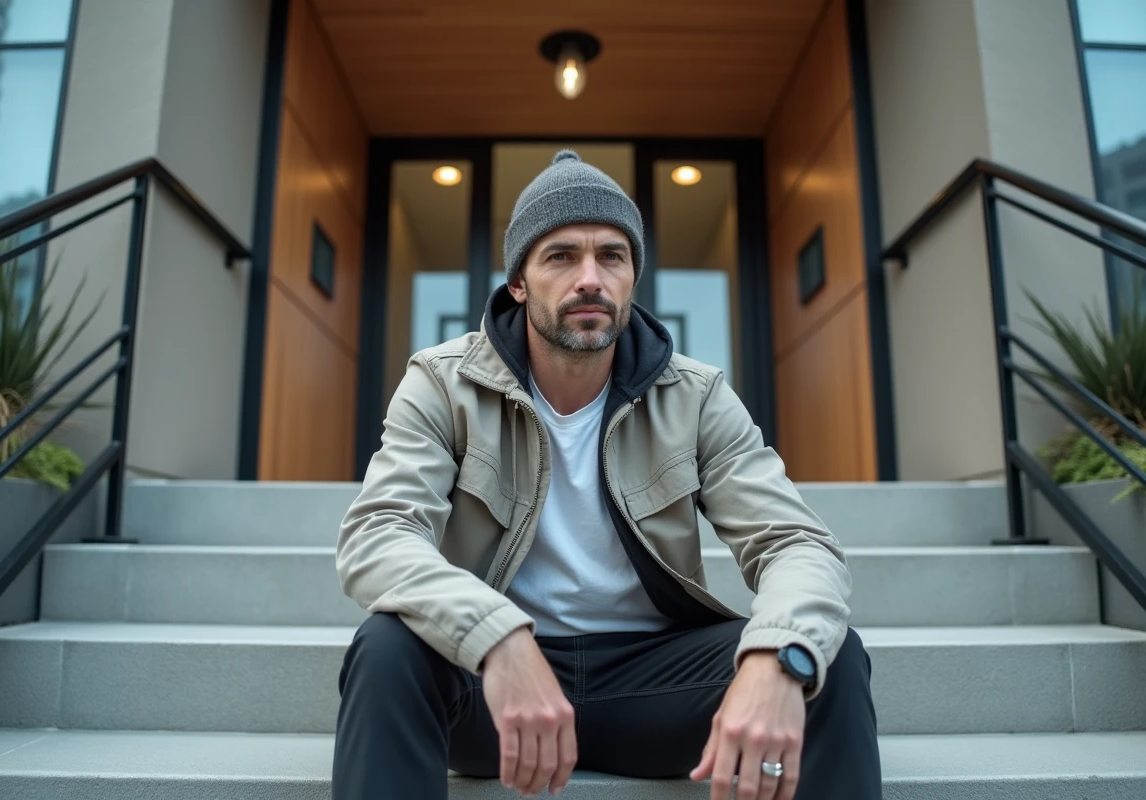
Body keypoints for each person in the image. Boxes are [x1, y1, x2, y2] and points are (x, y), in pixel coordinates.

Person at [333, 150, 881, 800]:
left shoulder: (695, 395)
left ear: (631, 279)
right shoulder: (443, 382)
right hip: (496, 688)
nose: (589, 278)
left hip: (654, 682)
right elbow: (378, 534)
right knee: (387, 647)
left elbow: (794, 543)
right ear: (518, 282)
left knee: (826, 654)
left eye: (611, 257)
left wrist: (776, 655)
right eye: (561, 256)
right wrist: (495, 636)